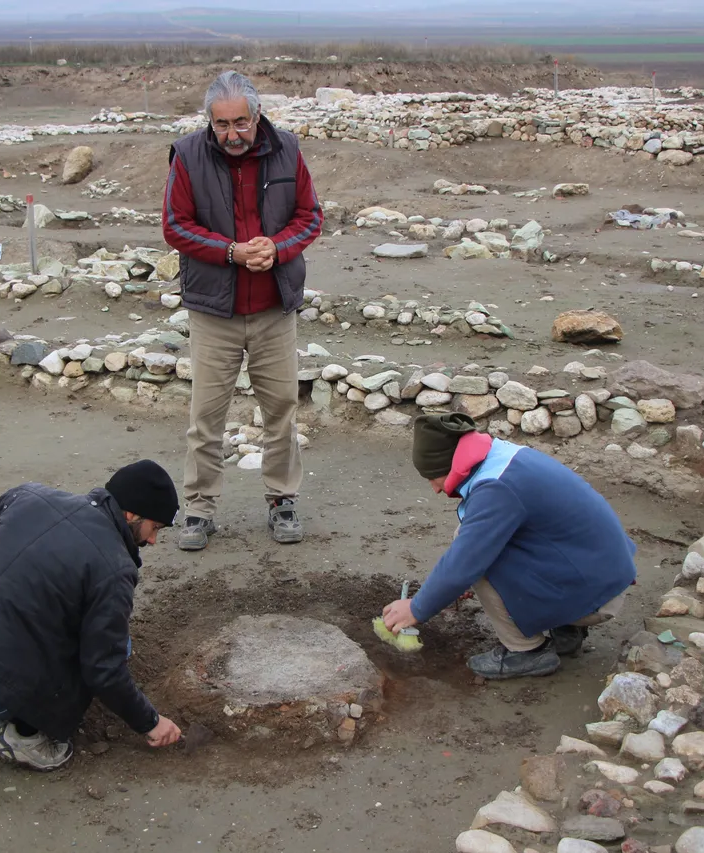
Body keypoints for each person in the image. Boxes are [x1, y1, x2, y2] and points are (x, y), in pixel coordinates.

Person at [0, 460, 184, 771]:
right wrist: (150, 722)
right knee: (109, 649)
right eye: (155, 528)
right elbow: (103, 670)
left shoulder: (31, 495)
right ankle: (24, 736)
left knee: (55, 629)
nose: (153, 541)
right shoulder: (114, 568)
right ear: (131, 514)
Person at [162, 69, 323, 551]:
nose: (232, 135)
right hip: (214, 310)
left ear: (257, 115)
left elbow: (310, 216)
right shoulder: (188, 155)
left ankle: (282, 500)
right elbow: (175, 225)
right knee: (206, 416)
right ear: (209, 122)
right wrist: (232, 252)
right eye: (222, 125)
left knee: (280, 411)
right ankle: (198, 509)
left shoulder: (288, 149)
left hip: (274, 306)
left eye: (241, 123)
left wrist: (276, 248)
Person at [382, 414, 637, 679]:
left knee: (478, 561)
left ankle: (527, 652)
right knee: (473, 537)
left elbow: (463, 564)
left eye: (434, 477)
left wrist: (417, 608)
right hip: (601, 575)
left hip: (595, 596)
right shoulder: (502, 456)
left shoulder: (497, 488)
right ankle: (565, 627)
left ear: (450, 464)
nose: (435, 489)